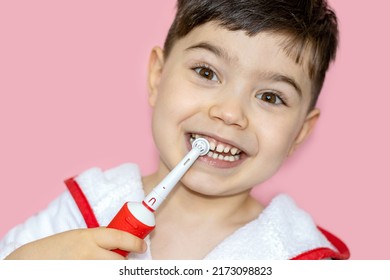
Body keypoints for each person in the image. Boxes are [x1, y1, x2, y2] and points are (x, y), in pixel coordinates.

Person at [0, 0, 350, 260]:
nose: (229, 113)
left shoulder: (303, 258)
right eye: (206, 73)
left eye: (271, 97)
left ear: (300, 133)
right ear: (157, 76)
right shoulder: (81, 211)